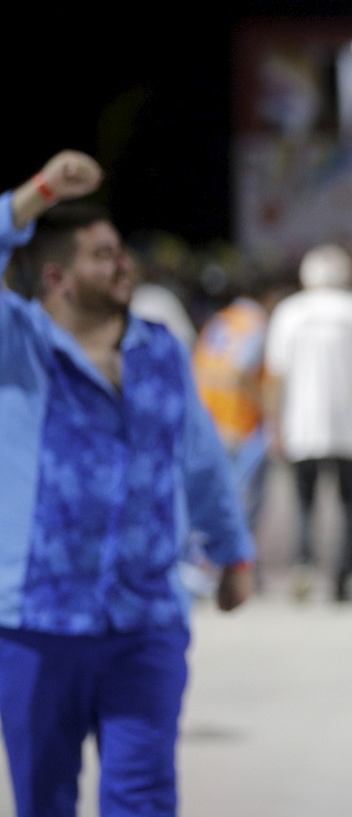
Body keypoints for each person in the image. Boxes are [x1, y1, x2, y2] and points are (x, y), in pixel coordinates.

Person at [0, 151, 254, 817]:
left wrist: (233, 549)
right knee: (44, 800)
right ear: (55, 275)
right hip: (37, 622)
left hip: (145, 620)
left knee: (142, 798)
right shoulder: (16, 344)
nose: (123, 264)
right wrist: (37, 195)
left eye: (119, 251)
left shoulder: (160, 350)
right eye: (102, 254)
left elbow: (200, 458)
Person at [264, 245, 352, 602]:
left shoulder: (289, 313)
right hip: (351, 424)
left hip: (302, 423)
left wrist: (273, 423)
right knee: (349, 501)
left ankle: (304, 564)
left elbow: (276, 376)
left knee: (305, 500)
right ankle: (343, 575)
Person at [192, 264, 293, 536]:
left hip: (209, 416)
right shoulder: (257, 323)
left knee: (215, 499)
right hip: (240, 423)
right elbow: (242, 374)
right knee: (244, 504)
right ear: (270, 295)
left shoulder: (222, 319)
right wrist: (272, 415)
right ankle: (238, 570)